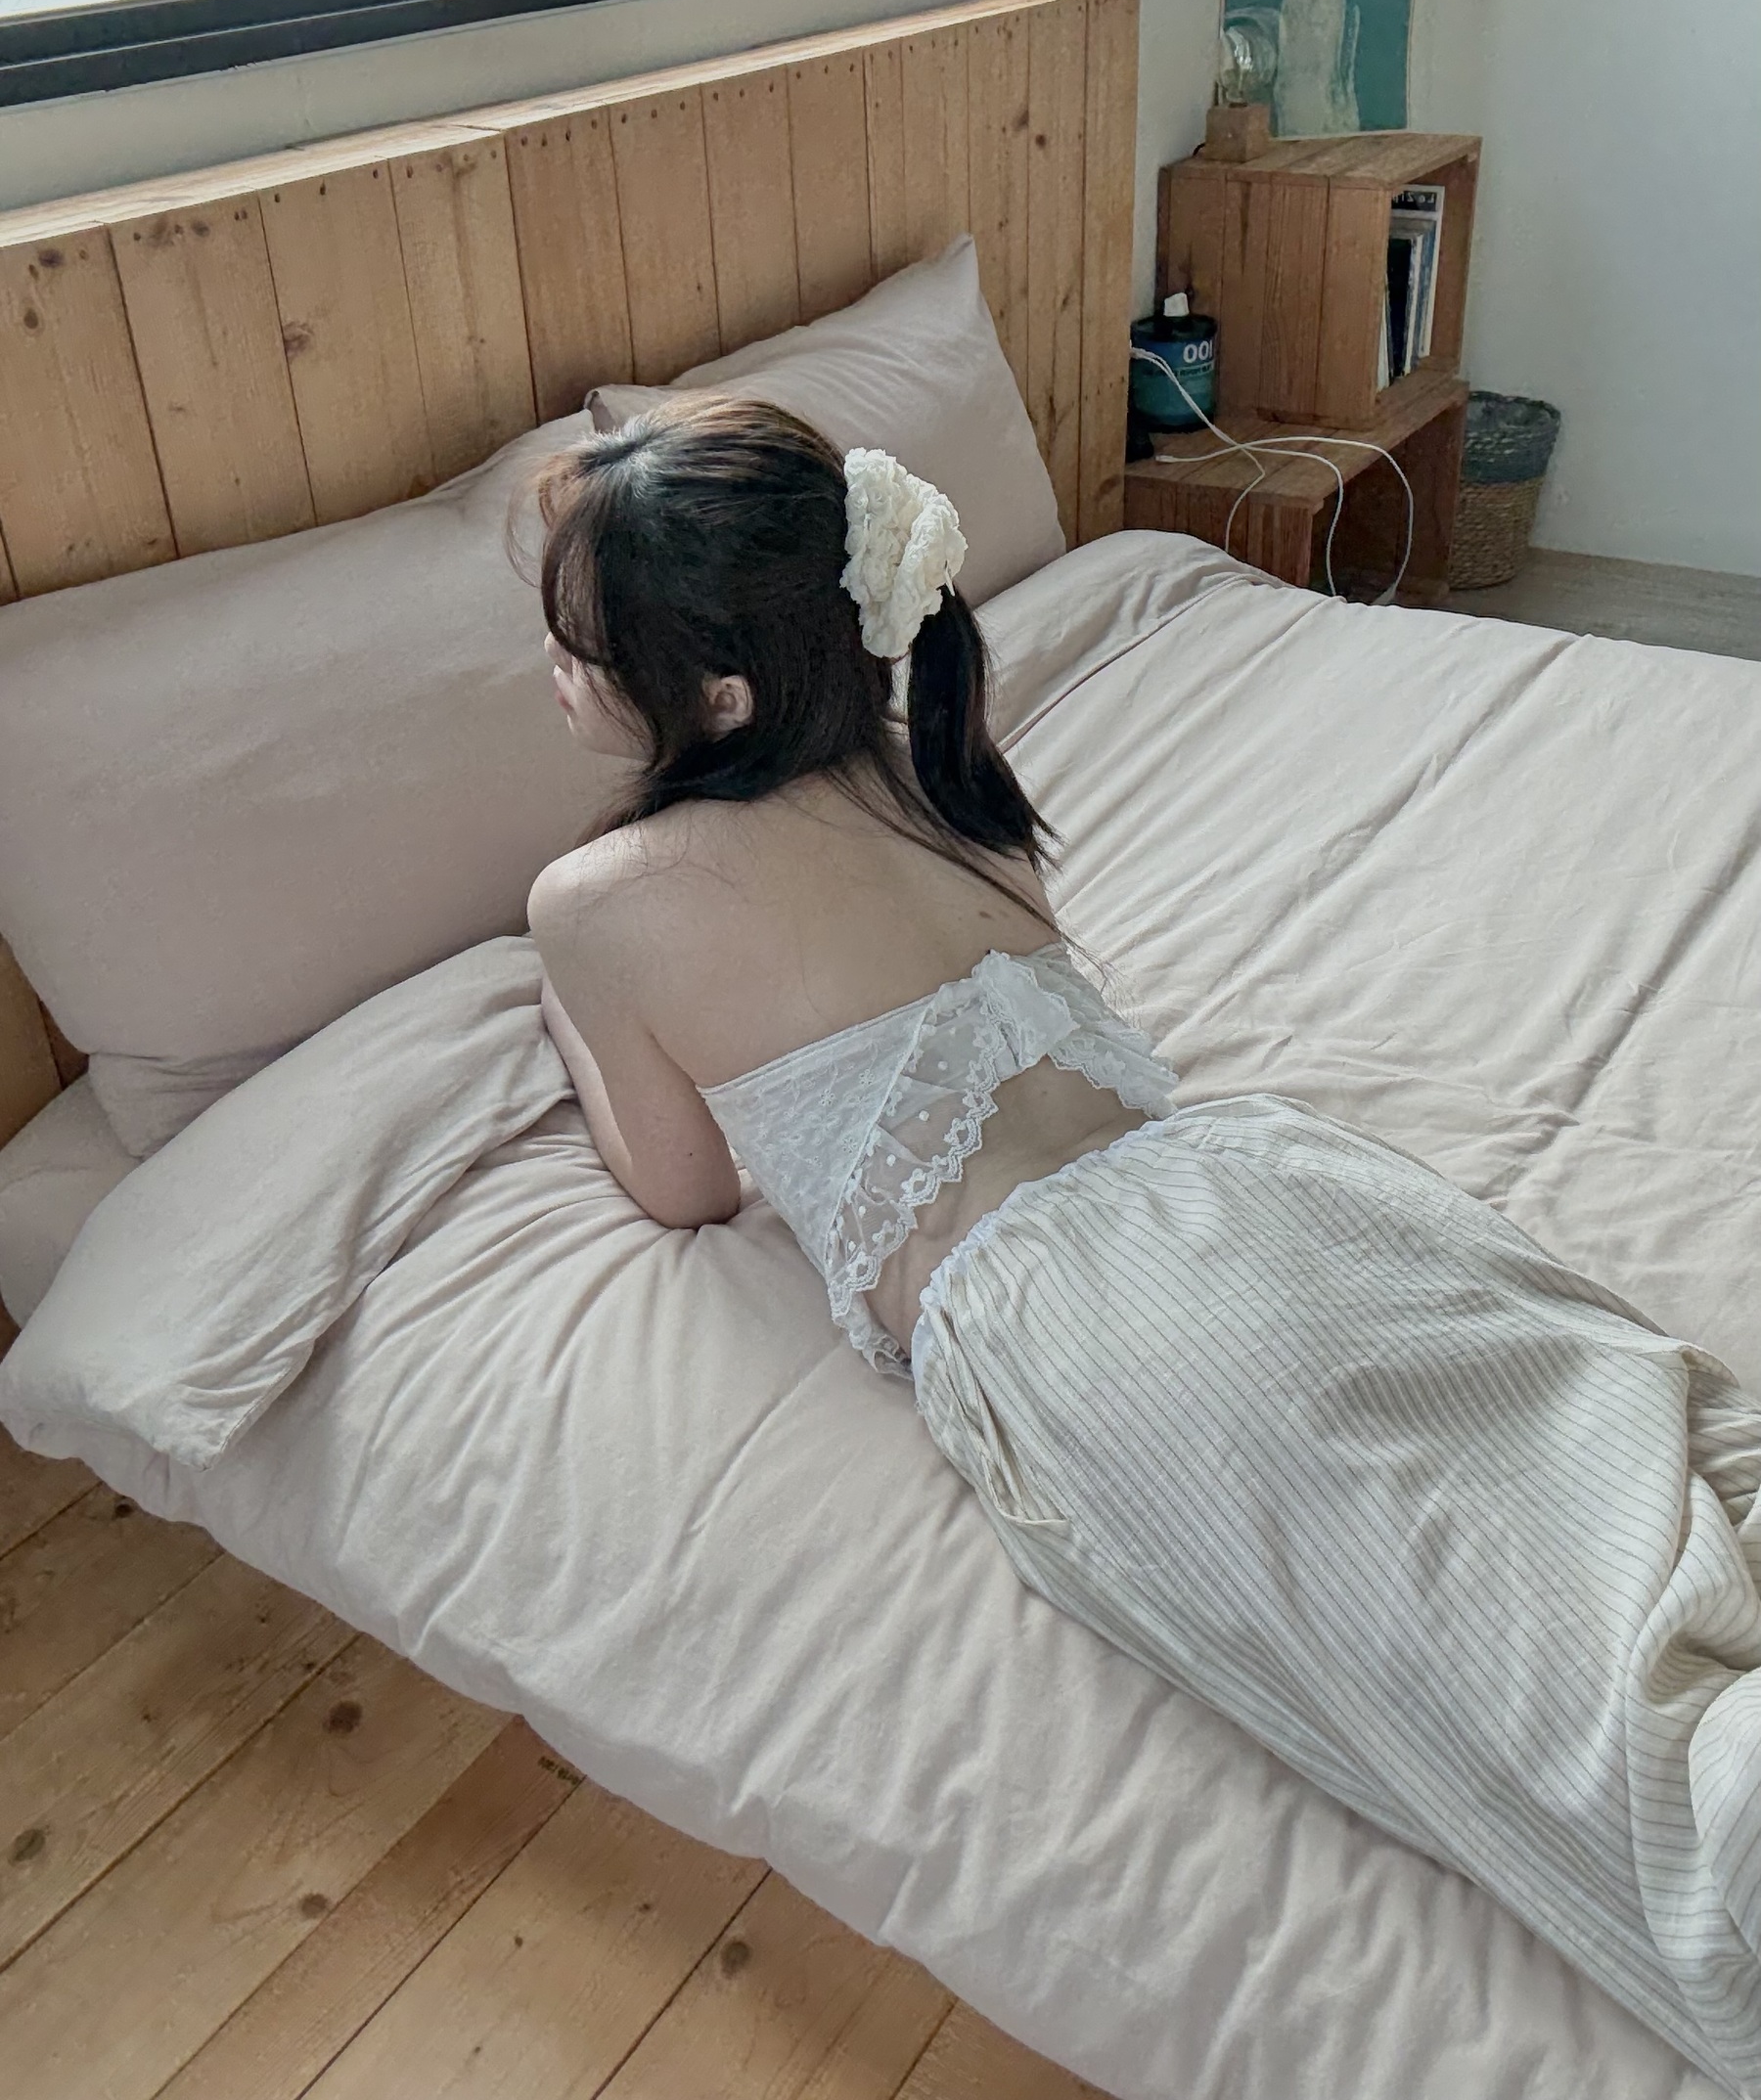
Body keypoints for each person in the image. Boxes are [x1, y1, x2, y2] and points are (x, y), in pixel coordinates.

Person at [528, 393, 1761, 2099]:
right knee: (1637, 1460)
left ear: (718, 697)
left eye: (580, 647)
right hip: (1252, 1182)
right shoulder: (931, 770)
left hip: (1084, 1323)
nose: (556, 673)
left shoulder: (600, 902)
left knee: (1552, 1705)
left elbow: (678, 1190)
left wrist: (574, 1024)